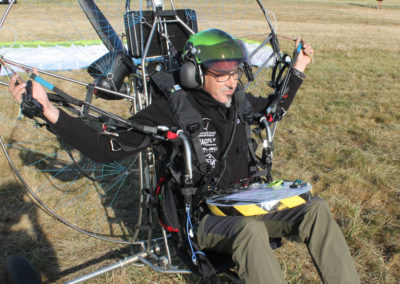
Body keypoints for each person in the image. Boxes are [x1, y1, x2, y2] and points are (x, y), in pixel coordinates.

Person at [9, 28, 359, 283]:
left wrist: (297, 69)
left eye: (235, 72)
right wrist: (49, 111)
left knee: (316, 209)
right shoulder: (171, 112)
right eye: (220, 74)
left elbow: (271, 112)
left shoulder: (237, 101)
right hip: (205, 219)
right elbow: (106, 146)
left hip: (250, 203)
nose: (231, 81)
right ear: (193, 73)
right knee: (250, 232)